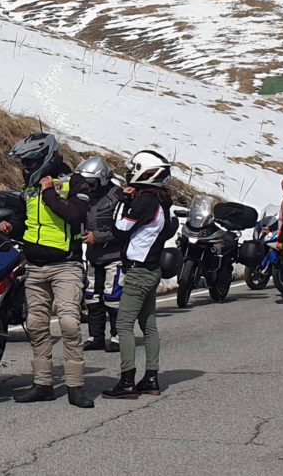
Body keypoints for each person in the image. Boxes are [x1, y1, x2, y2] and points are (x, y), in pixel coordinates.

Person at [0, 133, 94, 409]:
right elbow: (25, 219)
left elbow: (75, 214)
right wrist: (10, 226)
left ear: (45, 158)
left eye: (30, 162)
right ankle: (42, 384)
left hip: (66, 265)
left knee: (69, 324)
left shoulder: (75, 181)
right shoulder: (30, 186)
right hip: (35, 265)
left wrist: (50, 192)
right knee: (36, 325)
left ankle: (76, 386)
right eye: (24, 163)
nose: (26, 167)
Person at [102, 151, 174, 399]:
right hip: (152, 268)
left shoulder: (145, 201)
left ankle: (127, 381)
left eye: (134, 169)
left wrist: (123, 200)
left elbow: (119, 228)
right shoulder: (163, 201)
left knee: (123, 325)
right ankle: (151, 378)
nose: (130, 173)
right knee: (148, 324)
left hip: (139, 270)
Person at [75, 156, 124, 353]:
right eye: (85, 183)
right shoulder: (83, 197)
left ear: (102, 178)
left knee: (114, 298)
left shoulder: (118, 197)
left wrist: (98, 236)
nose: (88, 187)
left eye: (91, 183)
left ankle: (118, 336)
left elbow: (123, 229)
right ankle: (96, 337)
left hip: (114, 256)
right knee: (92, 297)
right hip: (94, 256)